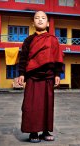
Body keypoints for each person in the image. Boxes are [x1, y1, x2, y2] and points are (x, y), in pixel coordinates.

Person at [17, 11, 63, 143]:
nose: (40, 20)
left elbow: (57, 58)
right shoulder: (28, 40)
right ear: (33, 23)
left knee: (47, 105)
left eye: (43, 18)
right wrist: (21, 74)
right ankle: (33, 131)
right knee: (31, 106)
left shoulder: (53, 39)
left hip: (48, 77)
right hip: (32, 77)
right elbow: (24, 58)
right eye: (37, 18)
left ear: (48, 23)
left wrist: (57, 74)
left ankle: (46, 131)